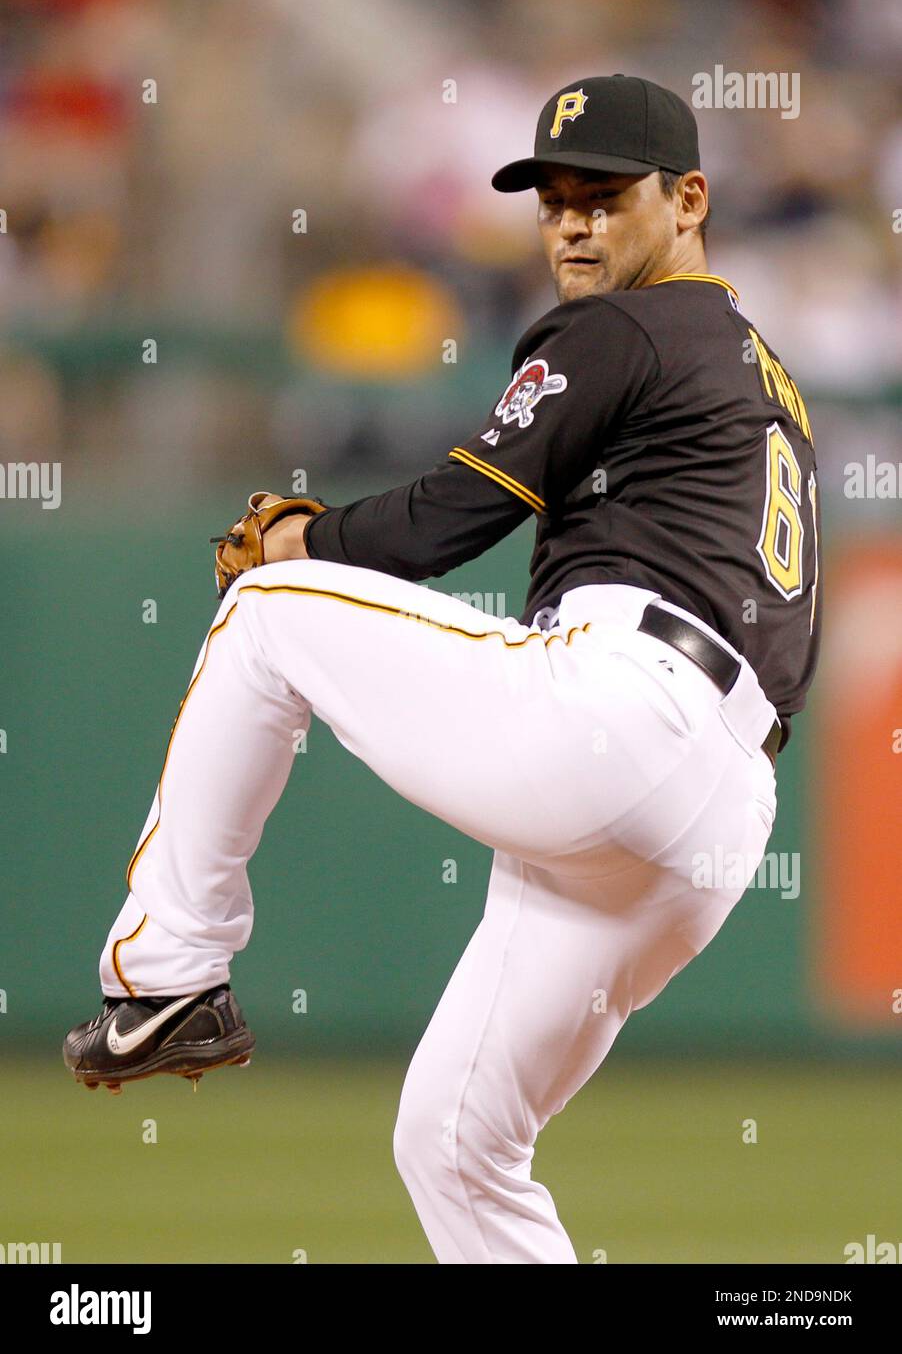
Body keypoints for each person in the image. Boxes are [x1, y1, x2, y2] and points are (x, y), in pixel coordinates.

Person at [64, 75, 821, 1264]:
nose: (572, 225)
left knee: (266, 609)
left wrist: (301, 536)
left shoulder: (627, 324)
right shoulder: (761, 375)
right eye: (552, 201)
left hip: (627, 714)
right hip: (715, 808)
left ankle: (166, 976)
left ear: (686, 201)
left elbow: (447, 517)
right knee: (455, 1144)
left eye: (604, 198)